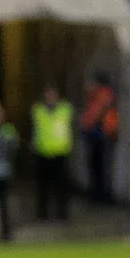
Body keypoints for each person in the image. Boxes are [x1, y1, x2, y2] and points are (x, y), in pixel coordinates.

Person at [30, 85, 74, 222]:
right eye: (48, 94)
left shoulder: (65, 109)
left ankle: (62, 213)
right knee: (43, 186)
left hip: (60, 152)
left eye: (53, 94)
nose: (50, 98)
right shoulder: (38, 110)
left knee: (61, 186)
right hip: (43, 152)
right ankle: (42, 214)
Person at [80, 73, 119, 204]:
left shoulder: (101, 95)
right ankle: (99, 193)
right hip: (102, 134)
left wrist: (85, 127)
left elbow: (94, 115)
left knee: (99, 165)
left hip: (101, 134)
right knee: (99, 165)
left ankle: (100, 194)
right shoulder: (101, 95)